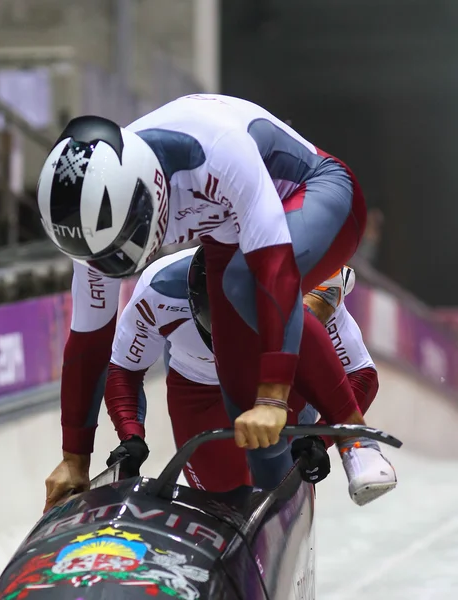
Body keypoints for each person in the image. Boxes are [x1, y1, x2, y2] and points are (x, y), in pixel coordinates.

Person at [38, 93, 371, 511]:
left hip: (315, 193)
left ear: (151, 188)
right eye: (102, 256)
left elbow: (275, 274)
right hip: (230, 241)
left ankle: (355, 436)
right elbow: (89, 341)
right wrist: (75, 457)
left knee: (246, 287)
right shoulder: (93, 233)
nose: (115, 264)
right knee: (242, 413)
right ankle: (273, 516)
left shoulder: (215, 151)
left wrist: (273, 400)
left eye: (125, 242)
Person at [105, 249, 396, 505]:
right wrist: (131, 435)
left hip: (279, 386)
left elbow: (361, 373)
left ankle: (359, 450)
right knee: (216, 503)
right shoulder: (158, 291)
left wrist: (319, 438)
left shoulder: (310, 291)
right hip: (200, 390)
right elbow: (123, 368)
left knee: (282, 491)